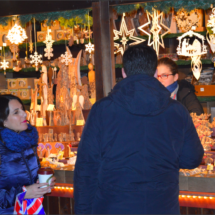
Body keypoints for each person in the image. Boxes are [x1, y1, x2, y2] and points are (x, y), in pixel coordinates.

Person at [74, 44, 204, 214]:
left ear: (123, 73)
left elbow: (86, 169)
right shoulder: (177, 111)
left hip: (113, 206)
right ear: (156, 74)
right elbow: (192, 158)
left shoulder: (102, 110)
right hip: (162, 206)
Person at [0, 94, 55, 214]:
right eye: (16, 112)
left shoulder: (28, 141)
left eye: (22, 110)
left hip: (30, 209)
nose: (24, 114)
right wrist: (23, 193)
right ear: (4, 121)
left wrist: (41, 183)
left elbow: (31, 178)